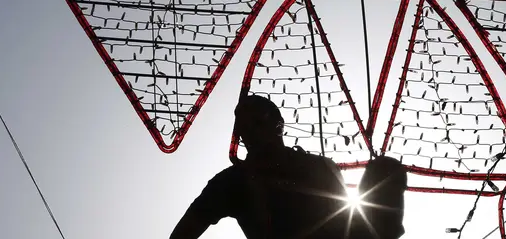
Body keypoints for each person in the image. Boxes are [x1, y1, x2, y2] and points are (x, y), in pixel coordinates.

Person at [170, 94, 407, 239]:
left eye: (257, 122)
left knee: (386, 170)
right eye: (244, 128)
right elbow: (185, 231)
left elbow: (348, 219)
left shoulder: (320, 165)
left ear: (278, 125)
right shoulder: (232, 181)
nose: (250, 132)